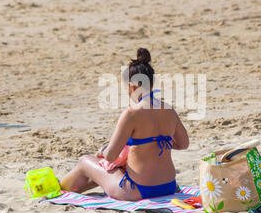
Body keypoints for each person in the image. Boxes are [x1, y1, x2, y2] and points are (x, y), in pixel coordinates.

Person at [60, 48, 189, 201]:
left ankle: (58, 188)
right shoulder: (169, 110)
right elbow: (183, 144)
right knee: (105, 170)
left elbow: (111, 155)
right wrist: (155, 141)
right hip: (168, 186)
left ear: (132, 86)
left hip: (138, 191)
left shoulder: (131, 114)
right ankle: (66, 187)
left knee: (85, 161)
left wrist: (102, 150)